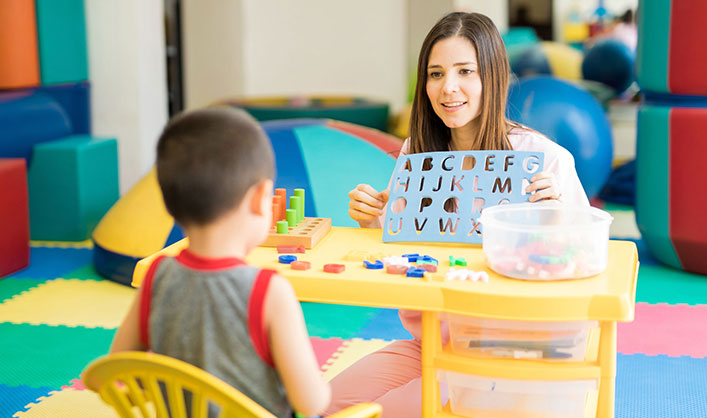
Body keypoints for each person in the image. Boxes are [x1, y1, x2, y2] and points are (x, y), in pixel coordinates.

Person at [332, 12, 589, 418]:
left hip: (506, 356)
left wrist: (558, 222)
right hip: (433, 341)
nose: (448, 88)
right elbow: (408, 253)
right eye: (435, 74)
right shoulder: (417, 152)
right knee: (317, 404)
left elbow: (586, 269)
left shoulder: (544, 160)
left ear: (493, 76)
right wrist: (373, 222)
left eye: (465, 71)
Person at [106, 108, 330, 418]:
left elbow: (119, 369)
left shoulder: (157, 276)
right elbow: (312, 402)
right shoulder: (268, 290)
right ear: (260, 197)